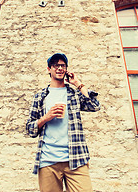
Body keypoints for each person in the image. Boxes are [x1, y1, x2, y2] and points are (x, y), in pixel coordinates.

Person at [26, 53, 100, 192]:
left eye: (63, 65)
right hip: (48, 161)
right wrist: (46, 118)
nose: (59, 68)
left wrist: (77, 83)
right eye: (56, 65)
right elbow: (30, 129)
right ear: (49, 69)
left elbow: (95, 105)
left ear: (66, 69)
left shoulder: (73, 93)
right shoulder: (40, 96)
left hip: (76, 158)